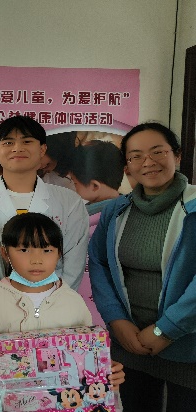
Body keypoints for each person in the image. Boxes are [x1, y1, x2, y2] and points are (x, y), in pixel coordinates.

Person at [0, 213, 125, 412]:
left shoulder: (73, 302)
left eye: (47, 250)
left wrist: (107, 370)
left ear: (59, 253)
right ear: (5, 253)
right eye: (24, 250)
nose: (37, 260)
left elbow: (88, 355)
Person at [89, 122, 196, 411]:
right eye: (136, 156)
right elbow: (99, 262)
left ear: (177, 155)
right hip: (130, 343)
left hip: (188, 345)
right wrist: (116, 320)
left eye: (158, 151)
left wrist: (166, 330)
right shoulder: (116, 210)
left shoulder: (193, 207)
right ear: (127, 167)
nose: (148, 162)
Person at [0, 115, 89, 299]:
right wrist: (1, 296)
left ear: (42, 149)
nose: (17, 148)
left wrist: (47, 299)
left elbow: (74, 263)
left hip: (53, 305)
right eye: (8, 143)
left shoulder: (70, 202)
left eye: (27, 141)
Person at [69, 141, 125, 326]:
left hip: (94, 315)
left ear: (94, 185)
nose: (73, 188)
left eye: (75, 183)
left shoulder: (92, 223)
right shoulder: (127, 211)